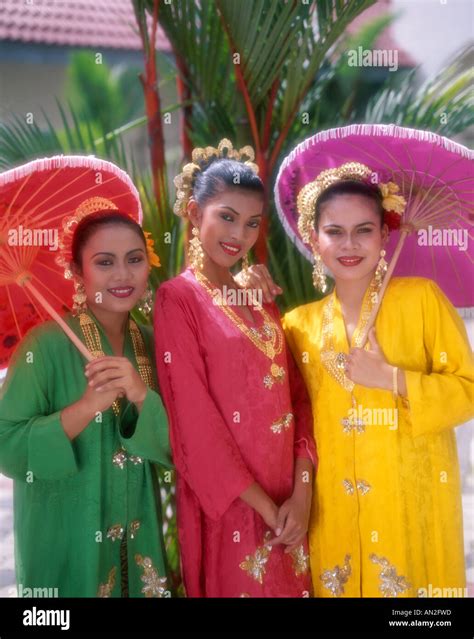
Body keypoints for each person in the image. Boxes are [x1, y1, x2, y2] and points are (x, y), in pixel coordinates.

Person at [242, 163, 474, 597]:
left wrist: (393, 378)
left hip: (410, 506)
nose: (349, 245)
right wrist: (245, 301)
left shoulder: (422, 300)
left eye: (364, 230)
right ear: (314, 240)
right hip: (334, 513)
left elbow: (468, 390)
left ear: (385, 237)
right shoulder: (296, 326)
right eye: (335, 232)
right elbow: (282, 418)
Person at [154, 139, 317, 597]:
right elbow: (193, 421)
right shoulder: (178, 300)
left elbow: (299, 399)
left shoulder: (257, 294)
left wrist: (301, 497)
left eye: (250, 223)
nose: (239, 235)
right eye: (226, 216)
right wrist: (268, 510)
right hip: (230, 510)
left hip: (291, 510)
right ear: (192, 211)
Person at [0, 206, 172, 597]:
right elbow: (6, 447)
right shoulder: (43, 348)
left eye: (134, 259)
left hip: (140, 540)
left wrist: (142, 396)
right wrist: (85, 407)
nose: (122, 275)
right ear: (78, 273)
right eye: (104, 262)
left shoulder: (153, 343)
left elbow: (182, 447)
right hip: (65, 541)